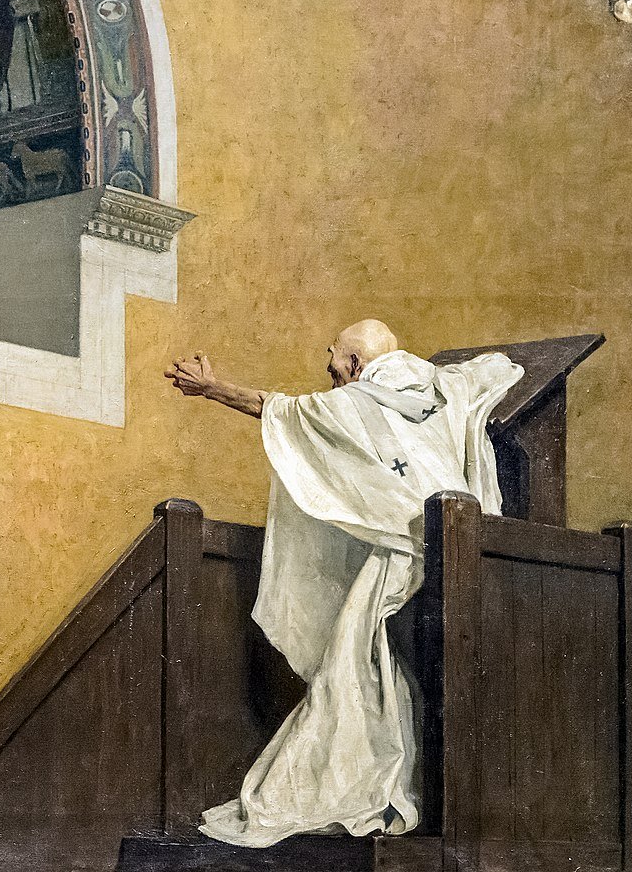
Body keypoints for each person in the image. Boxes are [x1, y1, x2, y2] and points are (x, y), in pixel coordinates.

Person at [165, 320, 522, 848]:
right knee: (384, 668)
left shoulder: (351, 402)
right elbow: (500, 370)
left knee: (355, 667)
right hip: (458, 558)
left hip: (404, 566)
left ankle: (370, 786)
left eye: (333, 360)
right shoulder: (443, 387)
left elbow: (274, 406)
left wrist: (211, 387)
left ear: (354, 363)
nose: (329, 372)